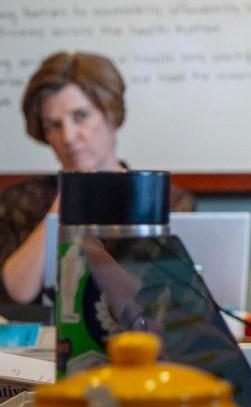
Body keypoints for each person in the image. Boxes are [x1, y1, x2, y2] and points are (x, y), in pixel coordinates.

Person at [0, 51, 195, 305]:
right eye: (53, 125)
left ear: (111, 114)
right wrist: (65, 202)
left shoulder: (166, 201)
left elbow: (168, 297)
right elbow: (17, 293)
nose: (68, 137)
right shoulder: (19, 203)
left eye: (81, 116)